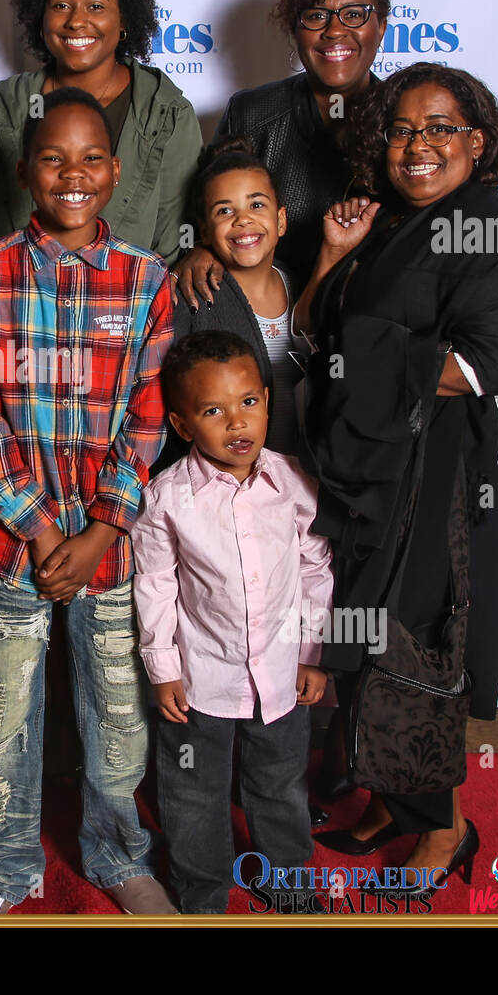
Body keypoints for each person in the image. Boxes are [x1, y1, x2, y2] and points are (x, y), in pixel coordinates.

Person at [295, 63, 498, 896]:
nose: (418, 145)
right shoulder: (392, 221)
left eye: (439, 128)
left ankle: (448, 826)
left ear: (476, 139)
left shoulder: (488, 230)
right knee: (362, 630)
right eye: (402, 129)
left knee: (422, 638)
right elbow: (314, 326)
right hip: (373, 466)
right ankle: (394, 799)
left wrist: (360, 345)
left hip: (444, 475)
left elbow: (482, 366)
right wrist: (333, 256)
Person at [0, 87, 175, 915]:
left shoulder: (148, 279)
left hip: (110, 550)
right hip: (14, 545)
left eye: (89, 159)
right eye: (52, 157)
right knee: (1, 722)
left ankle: (118, 857)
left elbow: (149, 419)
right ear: (23, 170)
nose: (71, 174)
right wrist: (43, 532)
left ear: (114, 171)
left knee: (118, 719)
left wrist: (105, 526)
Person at [132, 331, 331, 914]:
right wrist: (163, 669)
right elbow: (156, 585)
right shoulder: (166, 498)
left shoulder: (293, 483)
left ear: (268, 400)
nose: (237, 423)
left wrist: (311, 654)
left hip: (281, 677)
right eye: (213, 411)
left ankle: (289, 887)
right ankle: (202, 895)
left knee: (280, 787)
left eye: (248, 402)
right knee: (194, 794)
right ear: (182, 423)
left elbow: (316, 570)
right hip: (201, 683)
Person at [0, 0, 201, 264]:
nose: (76, 20)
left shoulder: (165, 115)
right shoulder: (5, 109)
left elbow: (177, 247)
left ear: (123, 18)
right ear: (39, 17)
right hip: (18, 308)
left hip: (128, 308)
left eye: (96, 6)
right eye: (60, 5)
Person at [176, 0, 390, 302]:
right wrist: (204, 250)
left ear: (380, 26)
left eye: (353, 15)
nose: (335, 30)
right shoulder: (252, 114)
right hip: (269, 312)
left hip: (376, 322)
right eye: (316, 16)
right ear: (295, 32)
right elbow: (207, 209)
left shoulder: (408, 122)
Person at [163, 139, 294, 461]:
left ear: (281, 220)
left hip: (300, 484)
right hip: (223, 488)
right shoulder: (194, 298)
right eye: (225, 210)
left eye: (257, 205)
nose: (242, 219)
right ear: (204, 232)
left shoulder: (297, 281)